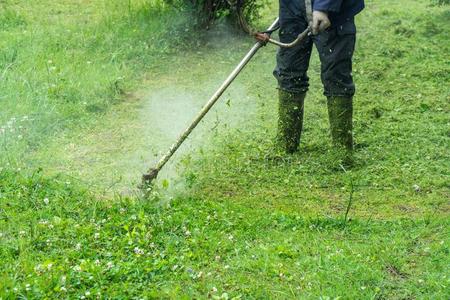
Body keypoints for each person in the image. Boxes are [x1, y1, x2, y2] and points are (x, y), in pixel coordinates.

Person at [273, 0, 365, 162]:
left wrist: (323, 7)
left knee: (336, 75)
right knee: (289, 71)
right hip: (293, 6)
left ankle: (342, 151)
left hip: (335, 10)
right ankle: (286, 144)